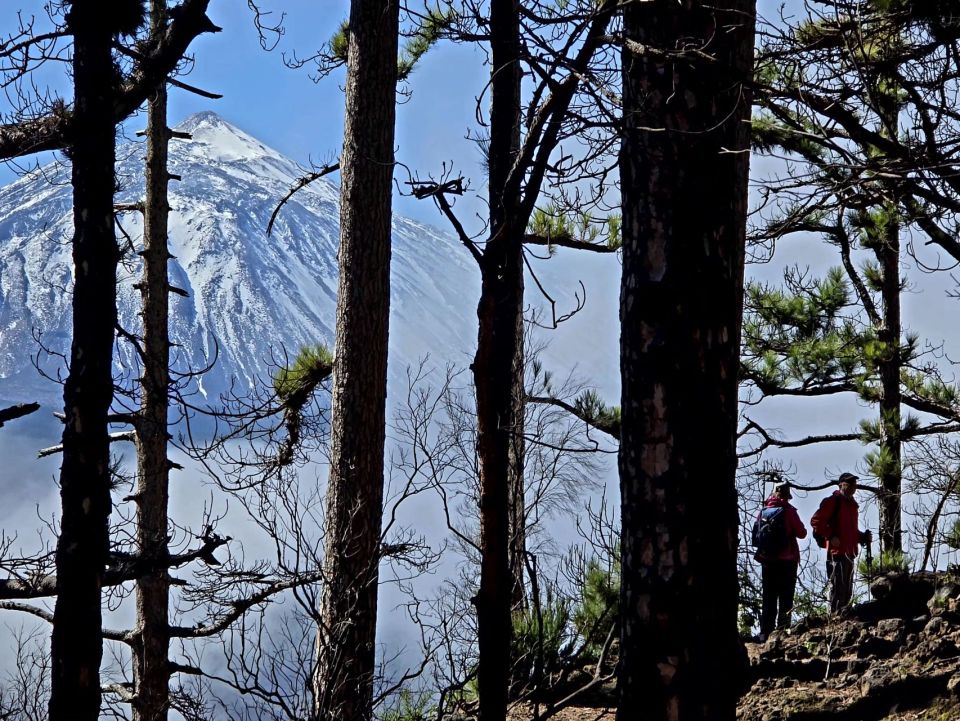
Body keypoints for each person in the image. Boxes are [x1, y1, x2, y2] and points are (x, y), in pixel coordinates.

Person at [810, 472, 872, 613]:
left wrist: (862, 537)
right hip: (836, 553)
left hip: (849, 552)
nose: (852, 487)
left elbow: (850, 531)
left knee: (847, 589)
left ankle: (843, 617)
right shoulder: (833, 501)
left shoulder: (851, 505)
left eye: (854, 484)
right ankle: (835, 619)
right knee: (838, 588)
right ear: (841, 485)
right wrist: (830, 536)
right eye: (849, 484)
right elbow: (816, 521)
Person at [753, 480, 807, 640]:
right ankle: (782, 632)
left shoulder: (763, 511)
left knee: (768, 597)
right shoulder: (788, 511)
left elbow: (756, 538)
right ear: (787, 495)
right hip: (787, 560)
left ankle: (765, 633)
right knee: (785, 597)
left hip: (767, 560)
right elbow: (802, 532)